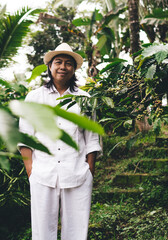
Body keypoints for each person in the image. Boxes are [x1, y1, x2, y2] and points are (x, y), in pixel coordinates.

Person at [18, 43, 102, 240]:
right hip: (42, 175)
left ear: (74, 69)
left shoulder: (85, 99)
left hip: (77, 175)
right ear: (50, 66)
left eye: (68, 63)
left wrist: (89, 171)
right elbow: (25, 137)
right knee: (42, 232)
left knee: (76, 232)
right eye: (58, 62)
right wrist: (31, 171)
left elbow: (92, 138)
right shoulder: (34, 97)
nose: (63, 67)